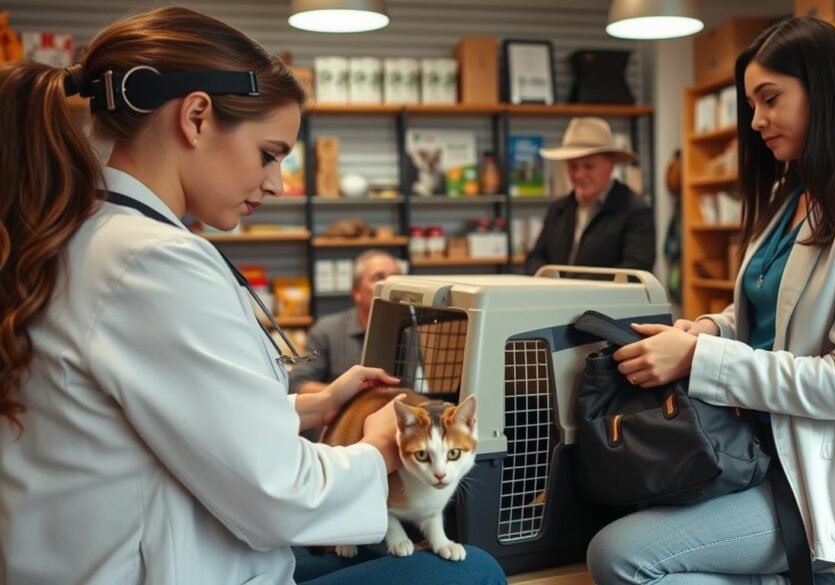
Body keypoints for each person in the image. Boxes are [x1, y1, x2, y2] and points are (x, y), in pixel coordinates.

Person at [0, 7, 504, 585]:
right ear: (195, 117)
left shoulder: (86, 236)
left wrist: (303, 409)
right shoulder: (152, 262)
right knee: (476, 572)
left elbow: (163, 417)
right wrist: (381, 446)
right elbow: (278, 498)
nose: (276, 183)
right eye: (270, 153)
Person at [587, 17, 835, 585]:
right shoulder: (797, 192)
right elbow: (768, 313)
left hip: (812, 473)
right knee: (617, 515)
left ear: (824, 90)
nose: (756, 121)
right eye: (751, 103)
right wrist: (707, 329)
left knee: (621, 557)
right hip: (749, 443)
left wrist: (695, 360)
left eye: (770, 98)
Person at [524, 117, 655, 275]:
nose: (579, 174)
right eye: (573, 166)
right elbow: (535, 257)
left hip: (610, 300)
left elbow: (636, 269)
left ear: (611, 165)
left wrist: (577, 288)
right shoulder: (558, 209)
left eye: (589, 166)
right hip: (558, 299)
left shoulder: (635, 211)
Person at [290, 250, 403, 396]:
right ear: (356, 292)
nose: (389, 285)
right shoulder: (326, 331)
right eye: (378, 277)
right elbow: (297, 384)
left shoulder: (413, 330)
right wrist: (347, 391)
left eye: (396, 278)